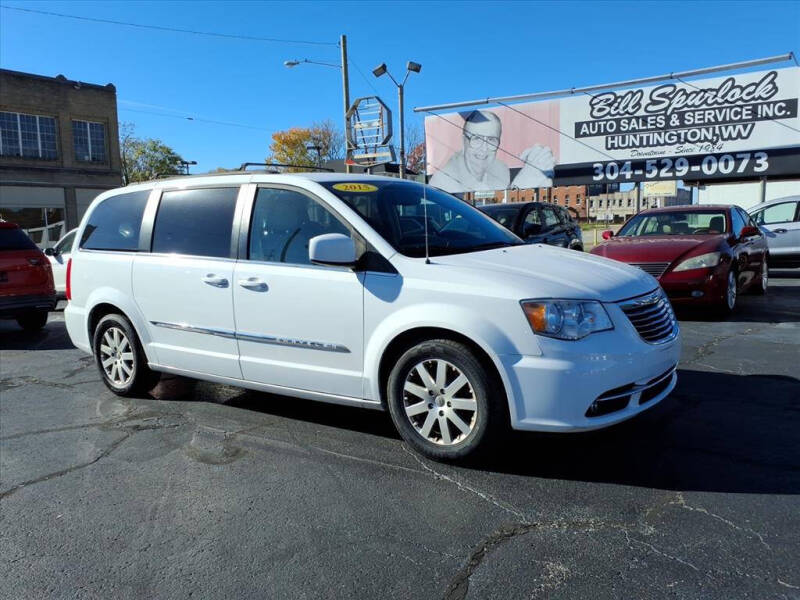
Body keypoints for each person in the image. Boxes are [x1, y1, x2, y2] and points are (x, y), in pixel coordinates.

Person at [429, 110, 555, 193]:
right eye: (476, 139)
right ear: (464, 141)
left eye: (491, 140)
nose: (484, 148)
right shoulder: (443, 181)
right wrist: (520, 186)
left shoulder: (501, 170)